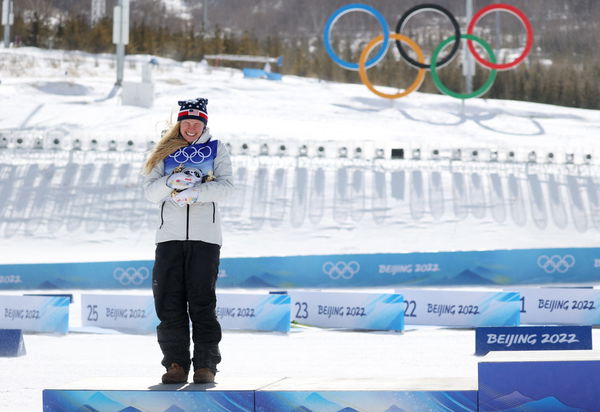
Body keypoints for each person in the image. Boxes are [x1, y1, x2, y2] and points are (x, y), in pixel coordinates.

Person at [143, 97, 234, 384]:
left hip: (205, 239)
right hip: (168, 238)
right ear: (179, 123)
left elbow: (228, 188)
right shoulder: (162, 149)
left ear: (204, 124)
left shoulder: (217, 149)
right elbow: (149, 192)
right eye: (187, 122)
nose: (192, 127)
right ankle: (175, 364)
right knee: (168, 303)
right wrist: (170, 183)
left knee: (202, 303)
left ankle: (206, 365)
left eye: (197, 122)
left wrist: (196, 194)